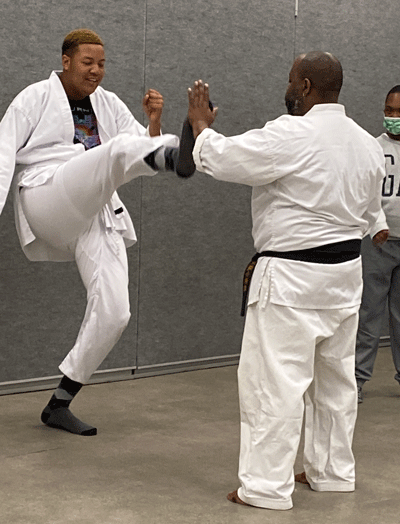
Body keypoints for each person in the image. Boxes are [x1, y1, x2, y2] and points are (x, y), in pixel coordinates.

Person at [186, 52, 385, 510]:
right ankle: (332, 472)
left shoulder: (292, 133)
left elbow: (225, 158)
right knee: (336, 384)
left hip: (292, 279)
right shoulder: (366, 143)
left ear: (308, 85)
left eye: (292, 80)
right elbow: (368, 209)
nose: (287, 86)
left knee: (274, 385)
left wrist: (201, 126)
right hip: (344, 277)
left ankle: (265, 488)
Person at [0, 28, 185, 436]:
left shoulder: (108, 103)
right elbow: (2, 154)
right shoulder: (34, 98)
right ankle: (175, 154)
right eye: (88, 63)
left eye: (101, 64)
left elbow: (135, 152)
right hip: (47, 191)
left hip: (93, 206)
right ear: (66, 61)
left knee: (116, 312)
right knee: (115, 152)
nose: (96, 71)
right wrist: (159, 150)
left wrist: (153, 126)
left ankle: (60, 402)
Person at [355, 86, 400, 403]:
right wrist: (372, 227)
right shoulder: (371, 147)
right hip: (378, 244)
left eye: (399, 112)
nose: (392, 117)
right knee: (368, 315)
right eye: (389, 110)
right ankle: (356, 380)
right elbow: (363, 195)